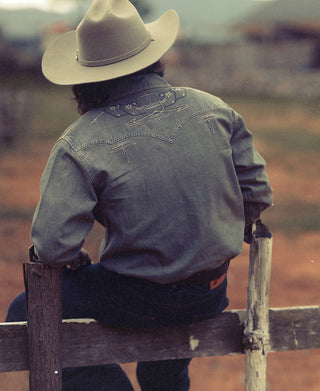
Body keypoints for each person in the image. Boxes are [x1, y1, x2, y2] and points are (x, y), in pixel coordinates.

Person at [6, 0, 273, 390]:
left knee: (22, 309)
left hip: (137, 298)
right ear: (152, 59)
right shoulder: (215, 110)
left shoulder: (81, 142)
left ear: (86, 79)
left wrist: (69, 256)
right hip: (209, 292)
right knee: (164, 364)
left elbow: (51, 247)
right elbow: (258, 192)